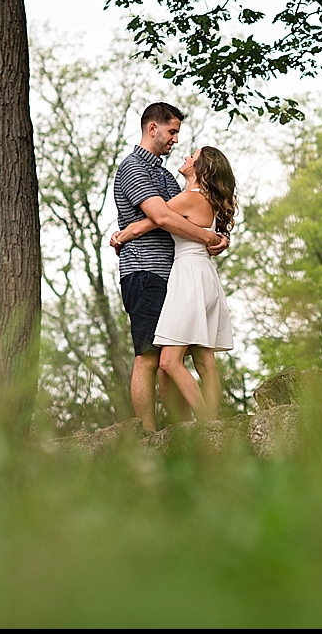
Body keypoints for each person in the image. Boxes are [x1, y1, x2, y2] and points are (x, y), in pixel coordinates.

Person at [110, 102, 227, 431]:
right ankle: (146, 434)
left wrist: (214, 236)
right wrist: (208, 236)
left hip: (173, 276)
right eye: (172, 131)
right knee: (148, 357)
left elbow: (181, 217)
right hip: (145, 272)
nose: (176, 139)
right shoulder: (134, 167)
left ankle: (181, 431)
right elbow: (162, 217)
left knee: (169, 363)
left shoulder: (164, 174)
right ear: (153, 128)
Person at [150, 146, 237, 422]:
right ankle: (214, 425)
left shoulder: (189, 198)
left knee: (168, 362)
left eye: (192, 157)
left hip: (188, 276)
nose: (186, 158)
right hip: (205, 277)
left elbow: (155, 218)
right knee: (205, 361)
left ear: (201, 169)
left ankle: (205, 425)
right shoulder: (208, 201)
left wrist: (124, 233)